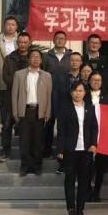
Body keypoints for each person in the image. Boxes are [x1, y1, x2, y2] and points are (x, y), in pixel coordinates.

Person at [56, 81, 98, 215]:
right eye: (75, 91)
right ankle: (71, 209)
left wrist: (93, 144)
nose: (77, 93)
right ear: (71, 92)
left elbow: (94, 127)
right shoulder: (65, 109)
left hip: (85, 150)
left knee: (84, 181)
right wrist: (60, 149)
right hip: (70, 150)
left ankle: (80, 209)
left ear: (85, 93)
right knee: (69, 180)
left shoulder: (90, 108)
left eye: (80, 91)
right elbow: (61, 130)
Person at [12, 48, 53, 177]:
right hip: (25, 111)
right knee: (25, 140)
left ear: (41, 60)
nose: (35, 59)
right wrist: (15, 112)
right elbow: (14, 95)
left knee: (38, 141)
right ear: (28, 59)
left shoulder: (47, 76)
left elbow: (49, 96)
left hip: (39, 111)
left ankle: (37, 166)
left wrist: (47, 112)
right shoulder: (19, 74)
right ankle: (25, 166)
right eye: (33, 57)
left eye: (38, 57)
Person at [0, 31, 30, 162]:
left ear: (29, 43)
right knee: (6, 124)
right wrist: (18, 85)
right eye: (20, 42)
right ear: (17, 43)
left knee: (25, 127)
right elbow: (6, 77)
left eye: (25, 42)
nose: (22, 44)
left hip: (28, 97)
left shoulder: (33, 57)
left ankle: (25, 154)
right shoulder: (9, 58)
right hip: (10, 96)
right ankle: (5, 151)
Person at [53, 52, 86, 174]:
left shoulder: (84, 78)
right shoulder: (62, 77)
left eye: (77, 60)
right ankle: (62, 163)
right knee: (63, 134)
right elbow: (56, 94)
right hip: (64, 110)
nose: (74, 62)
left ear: (81, 62)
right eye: (72, 60)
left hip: (80, 110)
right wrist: (56, 110)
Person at [0, 16, 18, 159]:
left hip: (19, 81)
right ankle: (5, 145)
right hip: (4, 79)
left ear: (16, 27)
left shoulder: (21, 40)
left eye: (13, 24)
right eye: (8, 24)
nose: (10, 27)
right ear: (4, 26)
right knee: (6, 112)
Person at [44, 31, 72, 160]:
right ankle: (47, 150)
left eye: (62, 38)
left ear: (66, 41)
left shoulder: (71, 56)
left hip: (67, 95)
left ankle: (62, 151)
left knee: (64, 124)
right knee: (49, 123)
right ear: (53, 40)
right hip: (50, 94)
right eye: (57, 38)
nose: (60, 40)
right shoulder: (46, 56)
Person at [87, 72, 108, 201]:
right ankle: (87, 192)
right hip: (87, 135)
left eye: (99, 80)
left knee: (100, 168)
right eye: (94, 80)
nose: (96, 82)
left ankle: (96, 192)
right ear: (89, 81)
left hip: (103, 136)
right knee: (86, 166)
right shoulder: (84, 95)